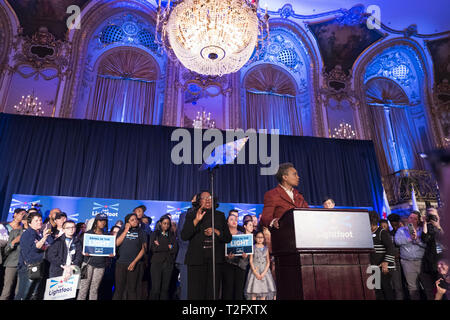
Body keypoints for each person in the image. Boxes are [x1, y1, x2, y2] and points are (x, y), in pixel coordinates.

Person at [181, 191, 232, 300]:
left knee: (212, 293)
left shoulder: (220, 215)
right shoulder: (191, 214)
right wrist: (196, 220)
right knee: (195, 293)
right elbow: (184, 236)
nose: (208, 200)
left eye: (210, 197)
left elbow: (228, 238)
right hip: (196, 260)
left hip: (214, 261)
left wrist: (217, 232)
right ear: (199, 201)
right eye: (205, 198)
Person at [15, 211, 51, 300]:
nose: (39, 222)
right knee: (24, 294)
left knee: (33, 294)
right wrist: (44, 238)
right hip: (28, 268)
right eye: (36, 221)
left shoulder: (38, 233)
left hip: (38, 266)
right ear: (30, 223)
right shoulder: (28, 233)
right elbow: (33, 250)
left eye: (40, 220)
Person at [260, 163, 309, 229]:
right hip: (284, 235)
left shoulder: (299, 195)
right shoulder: (272, 194)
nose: (298, 177)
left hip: (301, 232)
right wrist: (274, 221)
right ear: (285, 177)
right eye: (295, 174)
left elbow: (309, 212)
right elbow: (265, 218)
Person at [113, 213, 146, 300]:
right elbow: (116, 243)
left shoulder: (141, 232)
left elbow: (143, 249)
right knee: (119, 290)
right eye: (132, 220)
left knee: (132, 290)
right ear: (127, 222)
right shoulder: (122, 230)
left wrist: (134, 262)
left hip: (134, 264)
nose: (135, 221)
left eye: (136, 219)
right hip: (121, 264)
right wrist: (125, 230)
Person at [394, 210, 426, 300]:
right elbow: (397, 241)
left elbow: (426, 244)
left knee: (427, 286)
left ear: (418, 221)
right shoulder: (401, 230)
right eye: (410, 218)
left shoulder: (422, 230)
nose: (412, 220)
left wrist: (417, 240)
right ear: (408, 219)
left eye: (415, 219)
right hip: (408, 263)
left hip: (422, 262)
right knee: (412, 288)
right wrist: (409, 238)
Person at [78, 213, 109, 300]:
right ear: (96, 222)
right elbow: (79, 247)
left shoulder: (107, 235)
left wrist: (110, 254)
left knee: (94, 289)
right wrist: (83, 252)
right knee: (83, 288)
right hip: (87, 264)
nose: (103, 223)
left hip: (100, 265)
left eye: (105, 221)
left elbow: (108, 250)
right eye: (100, 220)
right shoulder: (88, 234)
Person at [149, 215, 178, 300]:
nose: (166, 225)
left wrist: (160, 246)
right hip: (156, 264)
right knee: (156, 288)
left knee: (165, 289)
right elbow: (153, 248)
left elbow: (175, 249)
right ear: (160, 223)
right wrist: (168, 247)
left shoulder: (172, 235)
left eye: (168, 224)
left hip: (168, 264)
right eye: (164, 223)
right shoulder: (155, 234)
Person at [0, 211, 27, 300]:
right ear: (15, 214)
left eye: (26, 216)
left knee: (19, 291)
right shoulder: (8, 228)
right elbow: (7, 247)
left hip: (23, 263)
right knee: (7, 290)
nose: (23, 217)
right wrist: (14, 241)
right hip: (9, 261)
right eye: (22, 214)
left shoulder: (30, 232)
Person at [368, 211, 395, 300]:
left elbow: (391, 248)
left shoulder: (382, 232)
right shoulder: (367, 233)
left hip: (384, 267)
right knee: (378, 291)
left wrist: (385, 262)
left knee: (386, 289)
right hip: (375, 267)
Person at [420, 207, 445, 300]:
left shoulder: (444, 224)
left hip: (443, 261)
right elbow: (424, 239)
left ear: (438, 215)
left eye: (433, 214)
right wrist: (425, 223)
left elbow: (445, 238)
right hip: (431, 261)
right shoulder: (427, 226)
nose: (432, 217)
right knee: (433, 288)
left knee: (443, 287)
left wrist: (438, 226)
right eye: (429, 214)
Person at [175, 194, 197, 300]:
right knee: (186, 289)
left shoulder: (208, 216)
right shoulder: (185, 215)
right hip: (186, 254)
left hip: (203, 257)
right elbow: (181, 236)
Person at [222, 214, 249, 300]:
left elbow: (246, 251)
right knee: (228, 289)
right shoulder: (224, 235)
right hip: (227, 265)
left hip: (240, 266)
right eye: (231, 219)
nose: (234, 221)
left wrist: (245, 256)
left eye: (236, 220)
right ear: (227, 222)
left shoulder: (242, 235)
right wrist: (226, 257)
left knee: (239, 290)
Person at [244, 231, 276, 300]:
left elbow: (268, 262)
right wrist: (255, 272)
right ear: (255, 238)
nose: (260, 239)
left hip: (264, 272)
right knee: (254, 291)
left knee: (264, 291)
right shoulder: (253, 247)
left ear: (264, 239)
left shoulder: (266, 248)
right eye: (258, 237)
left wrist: (264, 272)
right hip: (255, 271)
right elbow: (251, 260)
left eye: (261, 237)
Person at [387, 213, 405, 300]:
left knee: (410, 285)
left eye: (396, 224)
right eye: (392, 225)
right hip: (395, 262)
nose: (394, 227)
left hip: (408, 261)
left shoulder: (405, 231)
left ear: (399, 222)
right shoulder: (389, 234)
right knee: (398, 286)